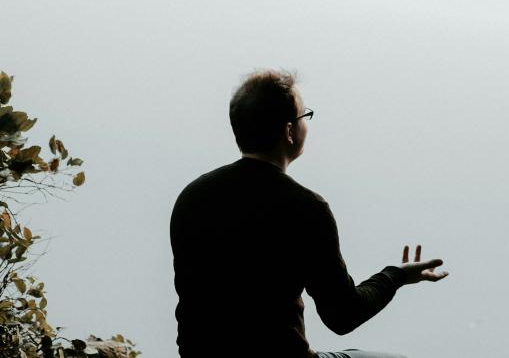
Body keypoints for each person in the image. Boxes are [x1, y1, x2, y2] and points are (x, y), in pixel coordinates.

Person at [170, 70, 449, 358]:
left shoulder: (192, 195)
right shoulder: (305, 207)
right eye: (305, 116)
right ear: (289, 131)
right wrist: (396, 276)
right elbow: (343, 316)